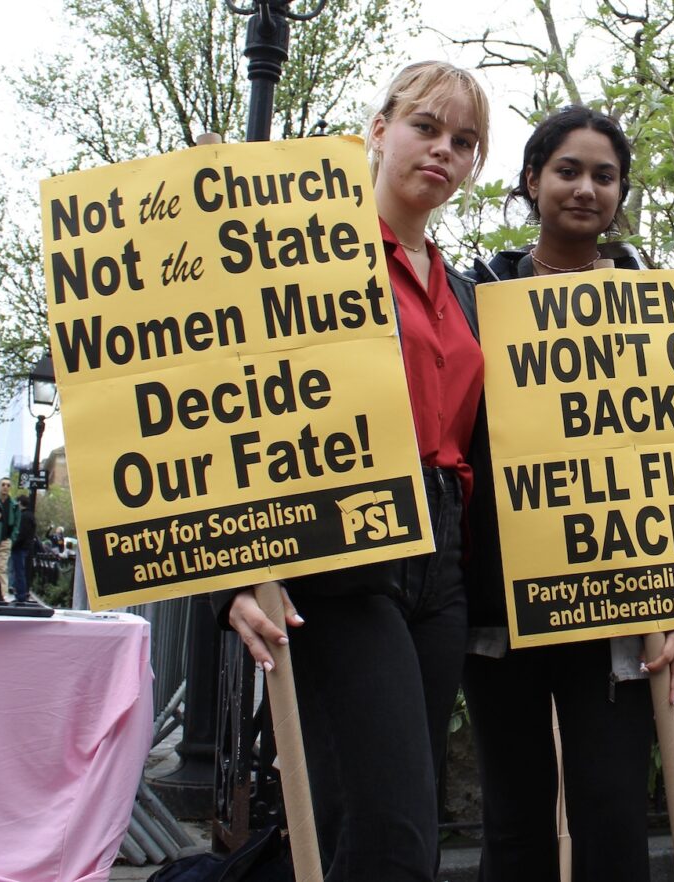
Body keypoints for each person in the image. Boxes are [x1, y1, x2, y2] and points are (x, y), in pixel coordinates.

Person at [223, 60, 490, 882]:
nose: (443, 150)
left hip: (440, 564)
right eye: (425, 127)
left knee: (366, 824)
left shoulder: (467, 290)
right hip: (342, 553)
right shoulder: (305, 258)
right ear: (376, 131)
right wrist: (228, 578)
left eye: (465, 141)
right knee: (393, 832)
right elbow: (229, 405)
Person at [464, 105, 674, 882]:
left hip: (621, 608)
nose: (586, 188)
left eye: (604, 175)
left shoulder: (662, 309)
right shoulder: (475, 297)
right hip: (504, 610)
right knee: (515, 820)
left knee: (614, 813)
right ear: (531, 180)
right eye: (568, 170)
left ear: (621, 192)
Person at [9, 495, 37, 603]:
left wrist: (13, 544)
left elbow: (21, 534)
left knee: (19, 572)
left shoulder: (24, 516)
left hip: (20, 548)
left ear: (20, 503)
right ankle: (21, 594)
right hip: (26, 547)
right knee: (21, 571)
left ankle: (20, 595)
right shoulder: (30, 515)